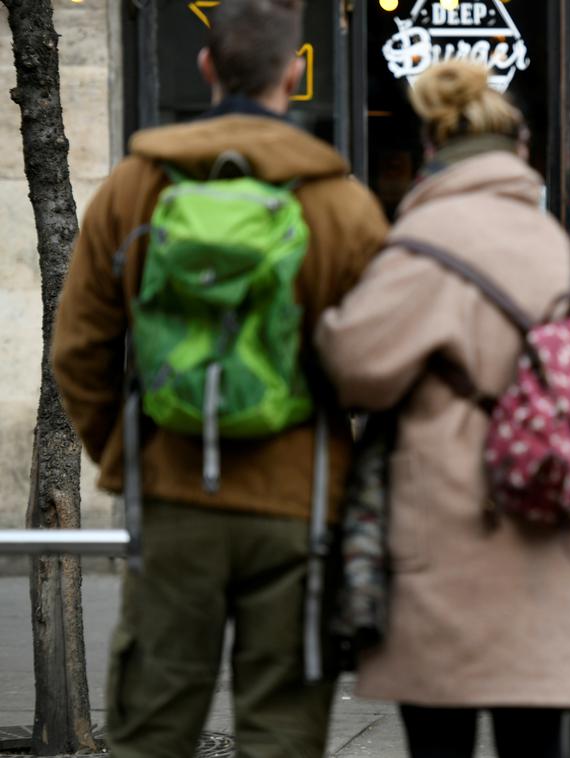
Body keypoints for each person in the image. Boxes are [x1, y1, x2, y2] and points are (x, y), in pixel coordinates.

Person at [50, 0, 389, 754]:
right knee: (280, 730)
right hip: (297, 502)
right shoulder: (341, 203)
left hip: (173, 495)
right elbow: (379, 367)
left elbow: (78, 351)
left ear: (206, 66)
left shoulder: (136, 189)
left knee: (153, 729)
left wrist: (132, 454)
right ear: (295, 73)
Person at [315, 61, 570, 758]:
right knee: (536, 741)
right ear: (519, 152)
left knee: (441, 739)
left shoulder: (421, 245)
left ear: (432, 151)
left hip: (445, 529)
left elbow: (354, 370)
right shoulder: (554, 247)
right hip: (540, 514)